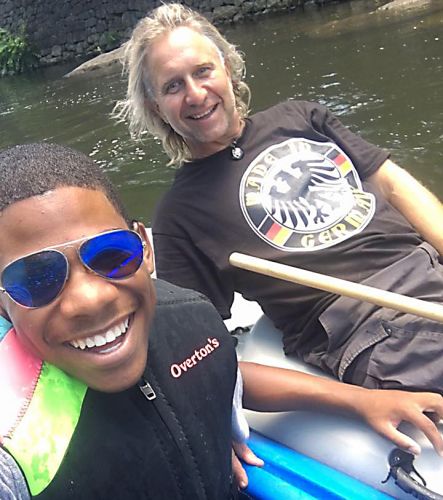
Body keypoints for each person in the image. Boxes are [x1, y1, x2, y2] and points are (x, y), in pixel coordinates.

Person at [1, 143, 443, 499]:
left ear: (145, 248)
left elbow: (216, 366)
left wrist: (358, 400)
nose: (89, 299)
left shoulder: (188, 316)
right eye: (36, 279)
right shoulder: (11, 442)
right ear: (4, 302)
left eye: (112, 255)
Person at [115, 3, 443, 392]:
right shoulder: (179, 216)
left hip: (427, 268)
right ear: (156, 107)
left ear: (227, 68)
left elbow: (392, 184)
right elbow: (194, 348)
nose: (196, 94)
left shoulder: (301, 118)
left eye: (203, 71)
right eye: (173, 85)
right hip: (366, 325)